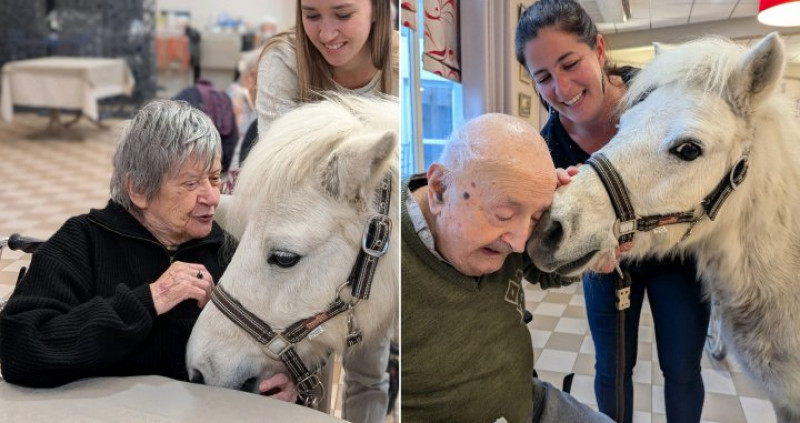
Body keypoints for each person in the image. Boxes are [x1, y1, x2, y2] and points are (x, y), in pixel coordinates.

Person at [0, 100, 296, 402]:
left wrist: (283, 383)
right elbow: (21, 350)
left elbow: (274, 348)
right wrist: (151, 298)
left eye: (215, 177)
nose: (212, 197)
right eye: (191, 182)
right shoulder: (81, 243)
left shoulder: (230, 254)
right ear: (139, 189)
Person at [516, 1, 710, 422]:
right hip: (607, 266)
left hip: (674, 256)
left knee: (681, 369)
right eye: (543, 77)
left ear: (599, 50)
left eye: (570, 63)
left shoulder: (658, 98)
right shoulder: (545, 148)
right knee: (612, 368)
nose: (562, 87)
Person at [401, 113, 613, 423]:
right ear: (439, 189)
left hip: (528, 400)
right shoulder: (381, 257)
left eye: (533, 217)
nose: (518, 242)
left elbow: (543, 268)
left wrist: (573, 223)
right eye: (503, 214)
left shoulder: (505, 223)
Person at [248, 1, 397, 421]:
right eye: (312, 15)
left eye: (342, 13)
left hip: (374, 250)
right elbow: (283, 176)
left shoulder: (400, 65)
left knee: (369, 370)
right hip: (306, 248)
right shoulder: (284, 58)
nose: (327, 32)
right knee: (300, 373)